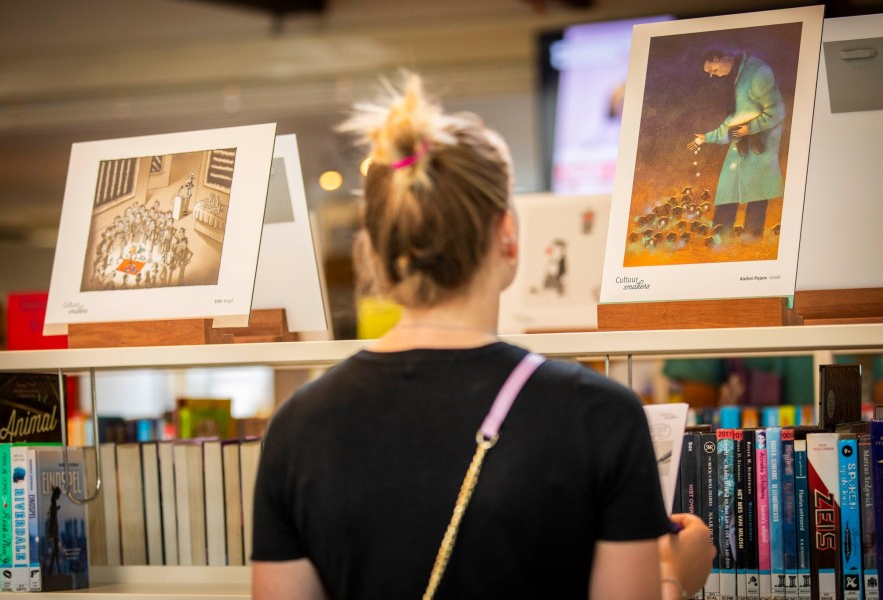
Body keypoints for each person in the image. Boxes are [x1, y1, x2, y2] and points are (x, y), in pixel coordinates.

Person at [251, 74, 715, 600]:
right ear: (508, 238)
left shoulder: (296, 426)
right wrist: (675, 577)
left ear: (373, 254)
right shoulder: (601, 414)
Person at [686, 47, 786, 244]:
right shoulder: (736, 77)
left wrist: (750, 129)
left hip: (760, 143)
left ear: (717, 58)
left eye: (712, 70)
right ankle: (719, 239)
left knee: (757, 191)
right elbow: (734, 119)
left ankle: (751, 240)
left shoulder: (758, 72)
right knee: (728, 188)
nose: (712, 75)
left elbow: (777, 112)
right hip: (741, 141)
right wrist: (707, 137)